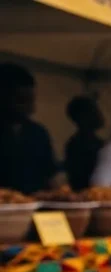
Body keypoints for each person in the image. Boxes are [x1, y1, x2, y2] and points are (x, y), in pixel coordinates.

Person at [0, 63, 58, 194]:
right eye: (22, 101)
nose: (31, 109)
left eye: (31, 100)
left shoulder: (38, 133)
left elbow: (49, 177)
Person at [64, 95, 105, 191]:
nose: (99, 114)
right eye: (94, 111)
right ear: (83, 117)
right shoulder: (77, 145)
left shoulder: (98, 142)